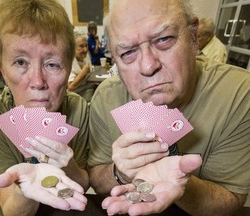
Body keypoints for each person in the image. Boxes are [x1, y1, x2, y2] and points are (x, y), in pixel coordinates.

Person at [88, 0, 250, 215]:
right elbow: (97, 178)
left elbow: (231, 199)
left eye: (163, 39)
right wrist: (121, 173)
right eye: (127, 52)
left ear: (194, 37)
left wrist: (181, 183)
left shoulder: (238, 93)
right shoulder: (105, 97)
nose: (148, 66)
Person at [0, 0, 89, 215]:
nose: (38, 81)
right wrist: (26, 190)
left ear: (69, 70)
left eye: (52, 64)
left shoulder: (77, 107)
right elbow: (12, 211)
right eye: (21, 62)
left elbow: (83, 183)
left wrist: (68, 166)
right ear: (2, 70)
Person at [68, 29, 96, 102]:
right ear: (73, 47)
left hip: (90, 90)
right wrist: (83, 72)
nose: (85, 50)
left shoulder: (86, 56)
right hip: (76, 97)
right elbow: (71, 87)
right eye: (81, 46)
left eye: (86, 46)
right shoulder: (69, 60)